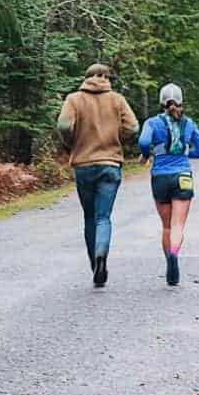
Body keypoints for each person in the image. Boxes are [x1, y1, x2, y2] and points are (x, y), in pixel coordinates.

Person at [57, 63, 139, 288]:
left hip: (83, 164)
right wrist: (118, 138)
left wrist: (71, 142)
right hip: (110, 164)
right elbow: (133, 127)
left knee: (89, 217)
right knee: (103, 217)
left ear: (87, 77)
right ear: (106, 77)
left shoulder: (74, 99)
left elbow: (64, 125)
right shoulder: (117, 99)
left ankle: (95, 263)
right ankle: (102, 254)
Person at [138, 83, 199, 286]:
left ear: (161, 102)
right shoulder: (189, 124)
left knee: (166, 226)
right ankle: (175, 255)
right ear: (181, 101)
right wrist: (185, 153)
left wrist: (148, 153)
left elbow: (143, 142)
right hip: (183, 175)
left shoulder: (152, 123)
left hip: (160, 176)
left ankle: (169, 259)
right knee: (178, 225)